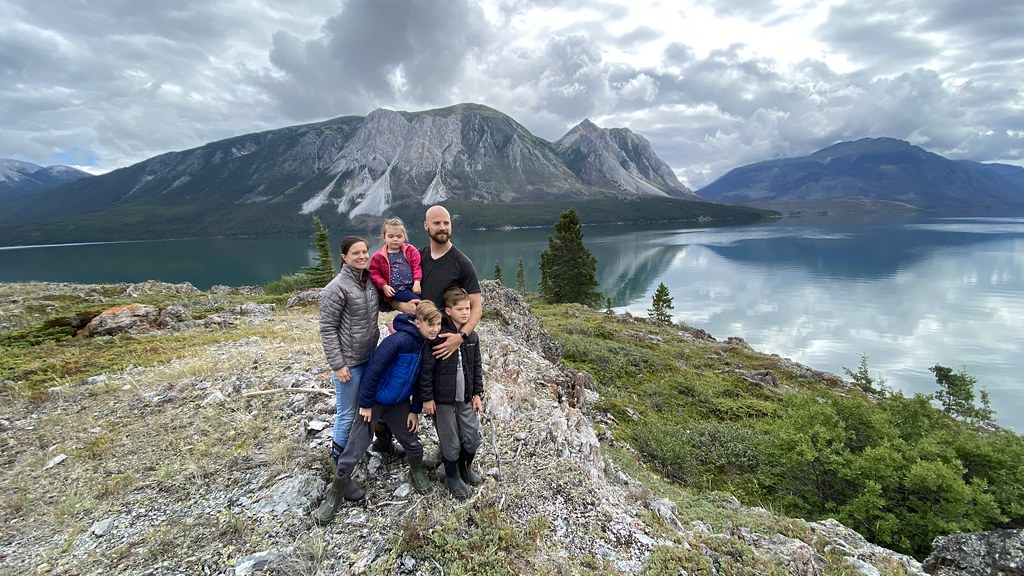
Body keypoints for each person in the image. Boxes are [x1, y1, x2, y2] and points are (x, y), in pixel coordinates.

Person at [314, 301, 443, 525]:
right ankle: (334, 496)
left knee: (413, 442)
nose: (435, 329)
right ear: (417, 321)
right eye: (430, 324)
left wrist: (414, 410)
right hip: (375, 402)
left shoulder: (427, 345)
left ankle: (417, 472)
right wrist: (365, 403)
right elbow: (373, 371)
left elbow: (423, 381)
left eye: (438, 324)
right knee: (356, 446)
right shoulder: (398, 341)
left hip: (399, 403)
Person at [318, 235, 380, 502]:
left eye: (365, 252)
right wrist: (338, 365)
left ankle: (367, 447)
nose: (362, 256)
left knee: (367, 409)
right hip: (350, 365)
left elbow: (384, 304)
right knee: (346, 415)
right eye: (356, 253)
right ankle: (339, 471)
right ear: (343, 256)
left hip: (370, 358)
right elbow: (327, 328)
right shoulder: (336, 287)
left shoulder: (368, 283)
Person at [419, 287, 485, 499]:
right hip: (444, 400)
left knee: (472, 437)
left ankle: (466, 469)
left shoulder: (471, 336)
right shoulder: (438, 336)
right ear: (448, 311)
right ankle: (452, 476)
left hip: (465, 397)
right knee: (450, 441)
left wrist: (477, 393)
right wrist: (427, 397)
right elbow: (427, 369)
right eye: (460, 309)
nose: (465, 313)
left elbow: (476, 367)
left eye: (468, 308)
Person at [394, 205, 482, 361]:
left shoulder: (462, 263)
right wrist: (400, 306)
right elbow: (396, 292)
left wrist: (460, 337)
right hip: (416, 337)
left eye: (446, 223)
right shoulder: (416, 258)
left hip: (444, 344)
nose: (443, 228)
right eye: (437, 223)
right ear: (426, 225)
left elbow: (476, 306)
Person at [369, 217, 422, 304]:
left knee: (415, 308)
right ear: (384, 237)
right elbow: (374, 273)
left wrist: (417, 282)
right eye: (391, 236)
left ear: (404, 237)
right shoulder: (378, 256)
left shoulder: (411, 250)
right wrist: (384, 285)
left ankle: (401, 318)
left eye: (399, 236)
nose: (395, 239)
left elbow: (416, 266)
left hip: (413, 287)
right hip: (396, 290)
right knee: (420, 304)